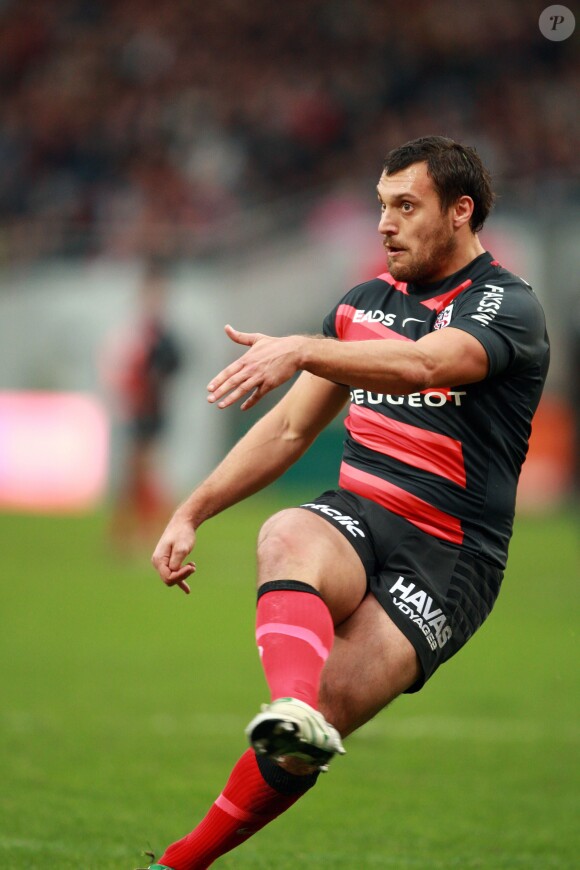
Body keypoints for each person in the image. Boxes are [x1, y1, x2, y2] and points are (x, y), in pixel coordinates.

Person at [139, 136, 549, 870]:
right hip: (359, 514)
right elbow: (294, 427)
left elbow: (431, 361)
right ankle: (289, 707)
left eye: (405, 206)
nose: (385, 224)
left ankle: (179, 862)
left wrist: (301, 347)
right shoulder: (362, 305)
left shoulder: (507, 305)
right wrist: (190, 511)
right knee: (289, 532)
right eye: (381, 206)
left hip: (449, 559)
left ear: (460, 213)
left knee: (317, 730)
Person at [103, 259, 183, 553]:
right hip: (141, 410)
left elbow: (174, 364)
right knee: (138, 472)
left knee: (140, 471)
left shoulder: (159, 334)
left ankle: (146, 531)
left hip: (152, 410)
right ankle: (142, 531)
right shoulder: (143, 333)